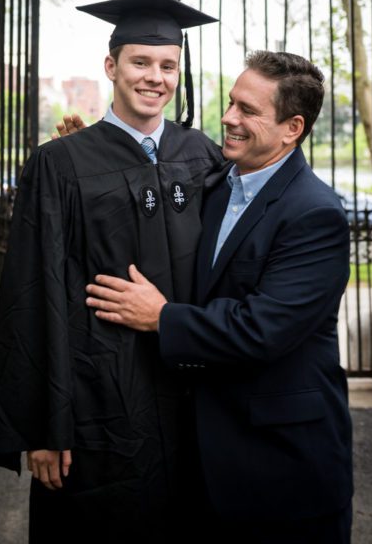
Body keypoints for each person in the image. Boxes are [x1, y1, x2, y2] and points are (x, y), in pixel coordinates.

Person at [0, 0, 225, 542]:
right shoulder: (60, 164)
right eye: (140, 62)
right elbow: (30, 290)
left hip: (188, 392)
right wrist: (43, 424)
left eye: (167, 66)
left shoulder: (201, 154)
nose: (154, 77)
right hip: (97, 396)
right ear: (111, 66)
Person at [86, 50, 353, 544]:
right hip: (199, 463)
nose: (228, 118)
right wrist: (85, 159)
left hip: (282, 468)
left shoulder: (315, 214)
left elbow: (263, 328)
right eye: (231, 103)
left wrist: (162, 318)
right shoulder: (211, 185)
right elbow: (145, 205)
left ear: (292, 128)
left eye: (247, 111)